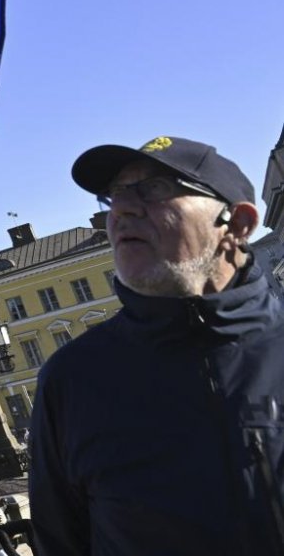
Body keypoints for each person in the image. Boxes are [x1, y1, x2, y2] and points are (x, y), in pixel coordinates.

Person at [30, 135, 284, 555]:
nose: (122, 210)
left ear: (236, 224)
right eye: (113, 196)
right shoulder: (73, 380)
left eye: (156, 189)